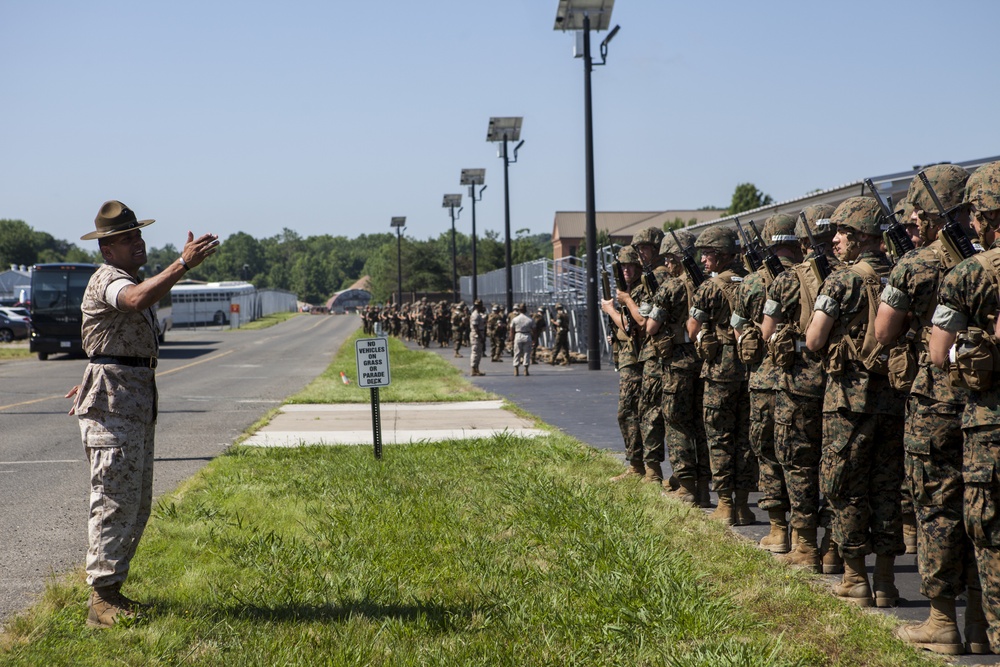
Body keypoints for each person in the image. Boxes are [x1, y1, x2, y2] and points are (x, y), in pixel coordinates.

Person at [66, 200, 218, 628]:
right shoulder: (110, 281)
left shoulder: (129, 276)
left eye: (137, 235)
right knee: (113, 500)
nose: (136, 243)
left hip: (130, 402)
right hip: (115, 410)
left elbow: (107, 342)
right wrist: (182, 264)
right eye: (125, 239)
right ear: (106, 250)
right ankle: (100, 600)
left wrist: (94, 372)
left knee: (135, 503)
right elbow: (132, 301)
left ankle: (112, 592)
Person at [805, 196, 906, 608]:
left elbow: (813, 340)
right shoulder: (902, 274)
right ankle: (885, 582)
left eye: (843, 232)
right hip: (894, 401)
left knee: (845, 488)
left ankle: (855, 579)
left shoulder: (842, 281)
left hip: (848, 400)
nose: (835, 240)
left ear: (863, 235)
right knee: (886, 490)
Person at [929, 160, 1000, 655]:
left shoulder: (968, 275)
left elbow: (938, 353)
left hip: (988, 427)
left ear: (981, 216)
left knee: (988, 534)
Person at [761, 204, 842, 574]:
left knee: (799, 464)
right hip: (843, 386)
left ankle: (806, 545)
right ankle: (834, 548)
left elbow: (765, 333)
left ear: (805, 240)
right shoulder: (855, 276)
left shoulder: (787, 281)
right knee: (840, 469)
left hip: (800, 387)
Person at [731, 214, 802, 553]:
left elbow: (740, 333)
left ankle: (778, 530)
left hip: (763, 380)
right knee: (803, 457)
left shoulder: (751, 283)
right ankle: (808, 538)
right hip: (806, 382)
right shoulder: (814, 274)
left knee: (769, 454)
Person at [686, 226, 753, 525]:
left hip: (721, 371)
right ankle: (743, 505)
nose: (703, 259)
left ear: (722, 254)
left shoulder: (709, 288)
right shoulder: (752, 281)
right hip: (749, 369)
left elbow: (691, 329)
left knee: (720, 437)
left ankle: (725, 505)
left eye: (708, 253)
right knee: (743, 439)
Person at [647, 229, 710, 505]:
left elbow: (651, 326)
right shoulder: (706, 283)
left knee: (677, 423)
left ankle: (686, 486)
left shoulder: (671, 287)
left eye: (668, 259)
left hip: (678, 364)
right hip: (705, 361)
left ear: (673, 258)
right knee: (701, 425)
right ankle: (705, 487)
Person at [617, 226, 666, 484]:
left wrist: (619, 305)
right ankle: (643, 467)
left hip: (654, 353)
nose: (641, 254)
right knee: (646, 412)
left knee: (649, 412)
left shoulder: (657, 277)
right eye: (639, 249)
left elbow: (636, 323)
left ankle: (651, 470)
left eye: (645, 248)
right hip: (648, 354)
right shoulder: (649, 277)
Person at [603, 245, 646, 481]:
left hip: (637, 360)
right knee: (630, 413)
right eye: (623, 266)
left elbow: (632, 326)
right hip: (629, 357)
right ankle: (638, 465)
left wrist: (610, 310)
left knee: (628, 412)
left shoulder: (636, 293)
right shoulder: (625, 292)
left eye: (631, 265)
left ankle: (637, 466)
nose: (627, 270)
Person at [509, 304, 534, 376]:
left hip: (518, 335)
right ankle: (526, 369)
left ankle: (516, 369)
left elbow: (512, 329)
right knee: (527, 353)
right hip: (527, 335)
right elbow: (534, 329)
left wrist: (512, 339)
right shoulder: (529, 319)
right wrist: (534, 339)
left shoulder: (515, 319)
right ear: (526, 310)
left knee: (517, 352)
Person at [469, 299, 487, 376]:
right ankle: (473, 369)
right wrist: (480, 336)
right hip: (476, 335)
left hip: (479, 333)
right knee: (475, 352)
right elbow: (475, 327)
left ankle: (476, 369)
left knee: (479, 353)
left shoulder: (478, 314)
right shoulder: (475, 315)